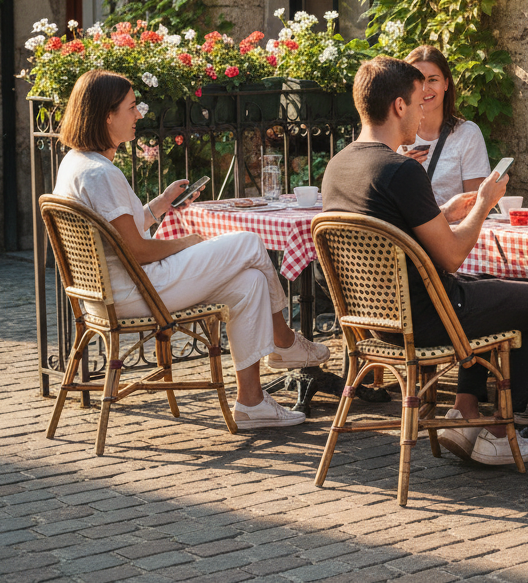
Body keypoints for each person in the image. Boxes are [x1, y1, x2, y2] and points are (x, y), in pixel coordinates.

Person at [321, 56, 528, 466]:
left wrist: (448, 213)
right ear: (399, 106)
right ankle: (497, 433)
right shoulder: (399, 169)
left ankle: (465, 411)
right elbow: (452, 256)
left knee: (487, 282)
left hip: (377, 325)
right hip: (430, 317)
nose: (422, 112)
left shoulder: (339, 165)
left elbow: (403, 226)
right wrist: (483, 205)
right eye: (418, 102)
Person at [52, 70, 329, 430]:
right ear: (108, 115)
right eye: (132, 107)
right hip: (136, 290)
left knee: (249, 283)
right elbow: (136, 250)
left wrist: (161, 205)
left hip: (110, 292)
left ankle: (252, 403)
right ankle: (285, 341)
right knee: (248, 242)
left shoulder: (77, 164)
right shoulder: (100, 174)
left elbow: (121, 233)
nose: (139, 115)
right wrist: (187, 242)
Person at [400, 45, 492, 207]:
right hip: (403, 232)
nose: (425, 88)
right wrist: (398, 171)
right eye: (418, 81)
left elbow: (476, 205)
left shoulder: (467, 134)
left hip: (454, 231)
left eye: (433, 80)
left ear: (446, 84)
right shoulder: (395, 134)